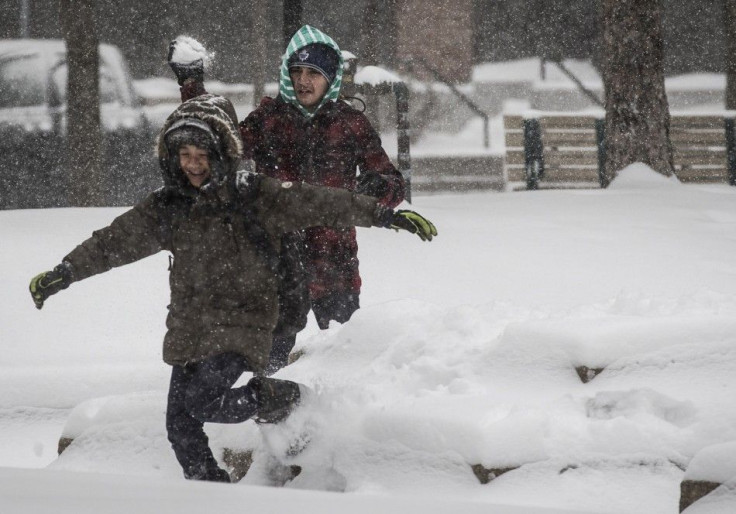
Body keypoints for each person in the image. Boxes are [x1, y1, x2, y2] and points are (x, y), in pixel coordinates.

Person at [28, 94, 436, 483]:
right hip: (191, 328)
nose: (193, 165)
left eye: (202, 156)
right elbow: (112, 243)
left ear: (220, 153)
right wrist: (65, 272)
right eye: (184, 156)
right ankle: (212, 495)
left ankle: (283, 398)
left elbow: (321, 203)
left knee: (205, 402)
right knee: (180, 428)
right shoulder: (168, 207)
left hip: (243, 324)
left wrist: (385, 216)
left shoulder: (254, 195)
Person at [169, 26, 407, 374]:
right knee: (268, 365)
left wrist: (374, 188)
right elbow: (219, 143)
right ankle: (263, 416)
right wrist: (192, 86)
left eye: (313, 73)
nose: (303, 81)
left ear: (332, 79)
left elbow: (393, 183)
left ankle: (336, 423)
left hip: (334, 260)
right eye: (296, 72)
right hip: (277, 261)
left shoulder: (350, 123)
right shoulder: (270, 119)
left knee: (344, 363)